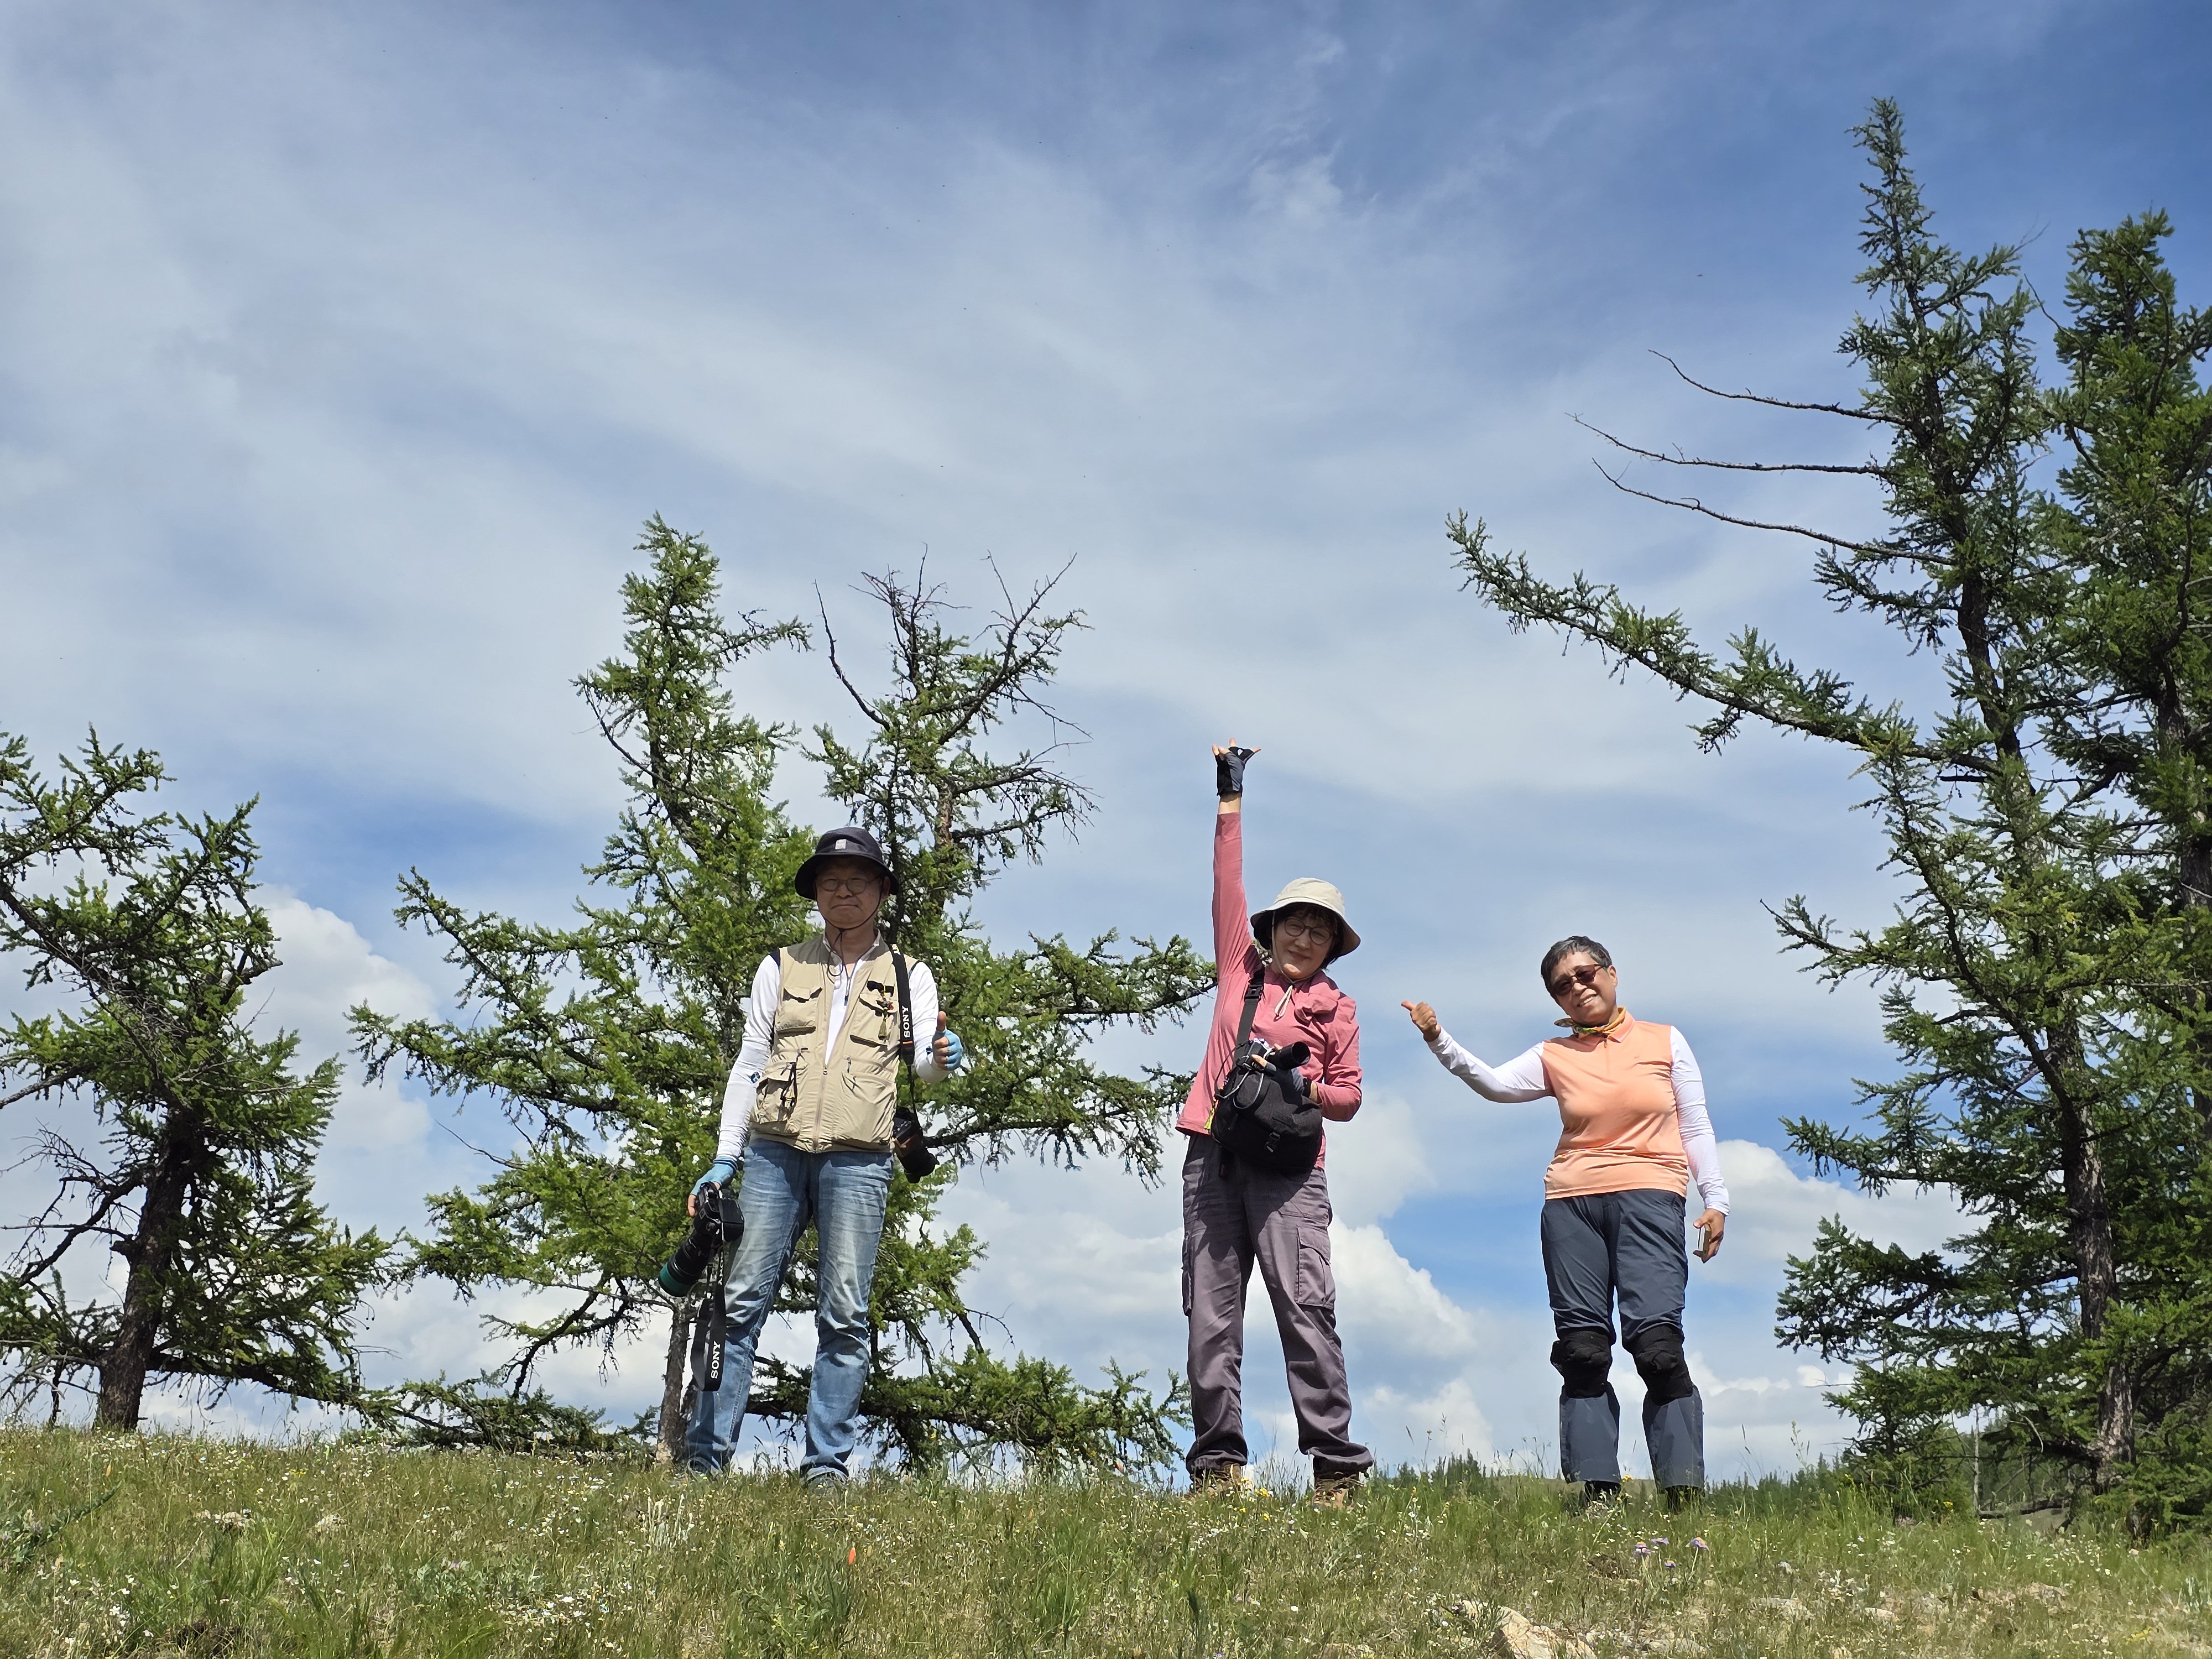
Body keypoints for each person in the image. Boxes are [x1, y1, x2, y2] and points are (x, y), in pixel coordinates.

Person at [681, 825, 964, 1484]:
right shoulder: (781, 965)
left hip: (860, 1161)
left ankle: (826, 1470)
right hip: (773, 1155)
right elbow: (750, 1062)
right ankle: (704, 1461)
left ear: (881, 891)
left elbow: (924, 1067)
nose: (843, 892)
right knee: (739, 1305)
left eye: (857, 881)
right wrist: (726, 1157)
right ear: (814, 893)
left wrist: (944, 1057)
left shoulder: (910, 975)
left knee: (844, 1316)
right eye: (830, 882)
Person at [1403, 936, 1728, 1507]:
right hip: (1571, 1203)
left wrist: (1715, 1198)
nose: (1577, 987)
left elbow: (1695, 1124)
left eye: (1586, 973)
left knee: (1657, 1348)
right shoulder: (1554, 1054)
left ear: (1611, 973)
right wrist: (1438, 1039)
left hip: (1651, 1197)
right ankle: (1597, 1496)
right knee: (1582, 1350)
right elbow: (1495, 1084)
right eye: (1562, 985)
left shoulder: (1665, 1041)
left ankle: (1683, 1499)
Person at [1178, 742, 1372, 1501]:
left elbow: (1350, 1097)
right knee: (1210, 1315)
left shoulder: (1337, 1008)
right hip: (1214, 1153)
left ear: (1332, 947)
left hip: (1292, 1173)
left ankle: (1335, 1469)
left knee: (1305, 1309)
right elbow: (1226, 883)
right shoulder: (1239, 969)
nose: (1304, 938)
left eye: (1320, 932)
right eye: (1295, 924)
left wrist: (1304, 1086)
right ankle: (1218, 1468)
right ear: (1274, 927)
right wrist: (1229, 797)